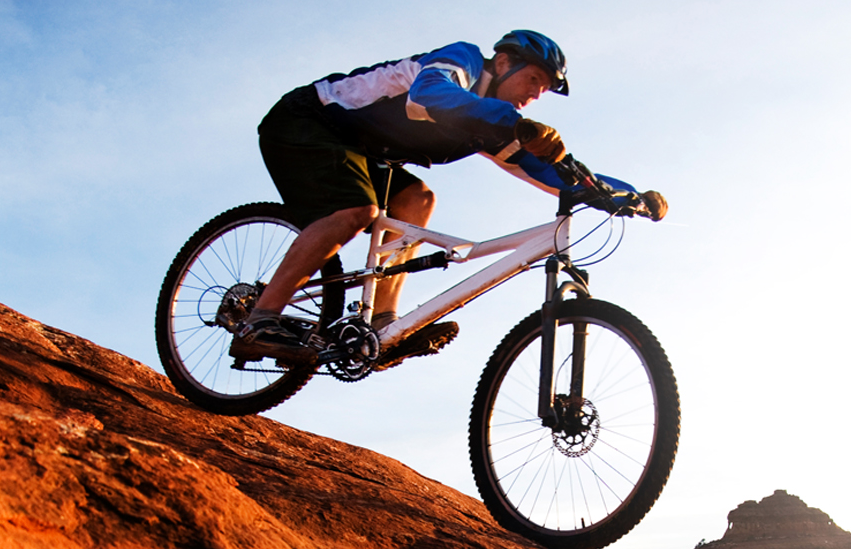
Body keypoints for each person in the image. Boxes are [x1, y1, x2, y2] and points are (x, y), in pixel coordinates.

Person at [231, 30, 666, 368]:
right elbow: (430, 94)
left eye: (542, 91)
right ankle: (260, 319)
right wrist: (514, 125)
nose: (534, 95)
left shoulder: (494, 122)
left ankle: (384, 325)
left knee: (418, 199)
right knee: (355, 210)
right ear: (503, 61)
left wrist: (624, 196)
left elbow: (552, 173)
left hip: (361, 151)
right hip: (309, 120)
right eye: (533, 80)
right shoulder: (462, 63)